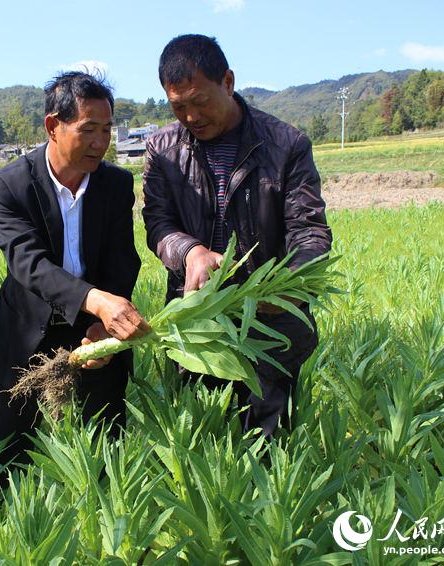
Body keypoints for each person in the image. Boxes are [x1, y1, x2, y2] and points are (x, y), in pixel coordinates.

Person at [142, 34, 332, 436]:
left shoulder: (286, 144)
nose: (191, 116)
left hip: (269, 322)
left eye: (200, 101)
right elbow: (158, 223)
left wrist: (289, 287)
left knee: (269, 438)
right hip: (197, 321)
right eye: (178, 107)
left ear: (227, 82)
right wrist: (190, 252)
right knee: (204, 437)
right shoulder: (162, 148)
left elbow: (309, 231)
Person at [0, 71, 149, 483]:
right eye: (88, 129)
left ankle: (107, 516)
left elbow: (122, 260)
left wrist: (102, 325)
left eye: (107, 129)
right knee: (12, 442)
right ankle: (3, 523)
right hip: (27, 327)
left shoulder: (115, 184)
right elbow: (28, 264)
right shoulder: (10, 185)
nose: (101, 141)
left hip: (93, 326)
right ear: (53, 127)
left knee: (106, 436)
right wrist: (96, 300)